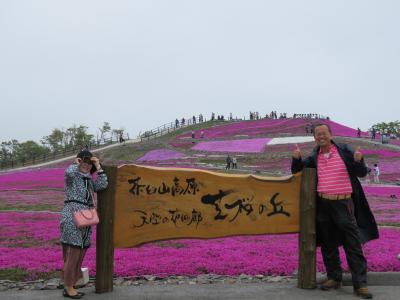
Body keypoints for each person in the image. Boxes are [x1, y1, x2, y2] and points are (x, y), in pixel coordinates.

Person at [291, 124, 378, 299]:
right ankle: (334, 277)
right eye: (317, 134)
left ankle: (360, 285)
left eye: (324, 133)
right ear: (314, 137)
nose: (321, 136)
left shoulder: (344, 150)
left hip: (343, 203)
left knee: (352, 244)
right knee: (328, 244)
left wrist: (359, 160)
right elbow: (297, 171)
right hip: (323, 204)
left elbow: (361, 173)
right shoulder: (315, 155)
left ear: (331, 134)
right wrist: (296, 159)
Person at [60, 150, 108, 298]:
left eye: (89, 163)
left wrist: (98, 166)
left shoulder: (88, 181)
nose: (86, 165)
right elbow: (68, 172)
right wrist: (77, 161)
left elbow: (102, 184)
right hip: (72, 216)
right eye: (84, 162)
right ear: (79, 161)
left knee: (81, 251)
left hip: (86, 218)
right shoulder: (72, 177)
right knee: (73, 253)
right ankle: (68, 287)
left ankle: (71, 283)